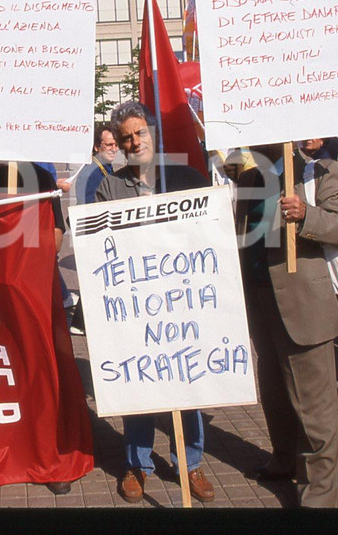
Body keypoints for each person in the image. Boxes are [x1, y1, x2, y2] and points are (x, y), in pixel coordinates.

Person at [93, 101, 215, 504]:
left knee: (187, 380)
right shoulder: (109, 187)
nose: (134, 142)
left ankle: (189, 463)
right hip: (135, 304)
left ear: (154, 133)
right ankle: (137, 463)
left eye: (140, 133)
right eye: (126, 137)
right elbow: (101, 245)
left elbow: (212, 234)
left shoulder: (187, 178)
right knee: (139, 380)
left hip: (184, 300)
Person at [235, 141, 338, 507]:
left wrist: (305, 215)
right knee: (276, 395)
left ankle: (318, 496)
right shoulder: (249, 175)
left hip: (303, 306)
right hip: (260, 299)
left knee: (315, 408)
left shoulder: (320, 171)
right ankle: (284, 459)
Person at [0, 159, 73, 496]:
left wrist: (17, 241)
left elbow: (56, 239)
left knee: (38, 376)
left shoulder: (40, 177)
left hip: (32, 296)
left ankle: (47, 458)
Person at [68, 124, 119, 335]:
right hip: (94, 229)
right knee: (96, 276)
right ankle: (81, 323)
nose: (114, 149)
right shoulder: (92, 171)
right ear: (97, 147)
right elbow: (89, 204)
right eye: (109, 145)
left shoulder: (104, 167)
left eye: (116, 144)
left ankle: (82, 322)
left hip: (98, 229)